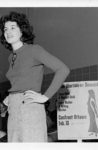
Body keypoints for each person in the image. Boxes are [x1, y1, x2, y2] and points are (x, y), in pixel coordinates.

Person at [0, 11, 70, 142]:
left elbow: (63, 69)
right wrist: (8, 100)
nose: (8, 31)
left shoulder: (34, 50)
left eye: (13, 27)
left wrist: (45, 96)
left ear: (22, 30)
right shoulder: (11, 57)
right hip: (13, 110)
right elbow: (19, 84)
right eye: (5, 29)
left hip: (30, 108)